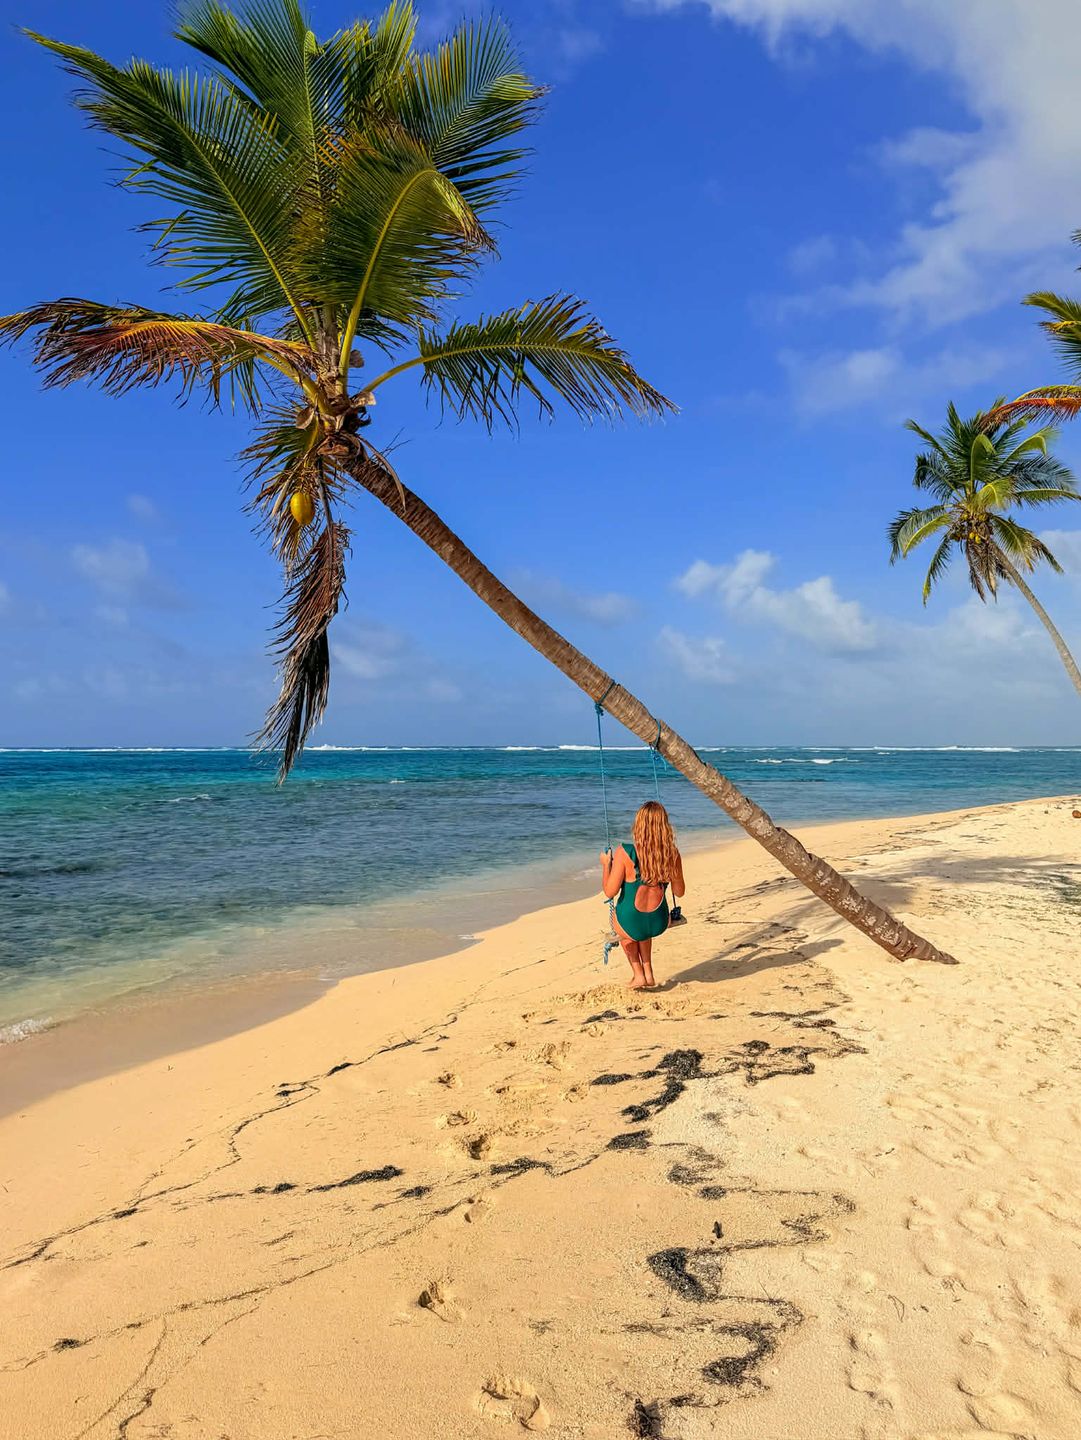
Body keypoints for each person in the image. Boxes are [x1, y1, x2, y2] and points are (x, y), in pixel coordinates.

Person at [599, 800, 686, 989]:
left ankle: (638, 974)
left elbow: (609, 891)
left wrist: (606, 864)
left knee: (629, 934)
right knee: (642, 928)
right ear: (664, 825)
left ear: (639, 825)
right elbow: (680, 892)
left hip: (631, 923)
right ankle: (649, 974)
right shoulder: (672, 854)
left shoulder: (625, 853)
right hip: (659, 922)